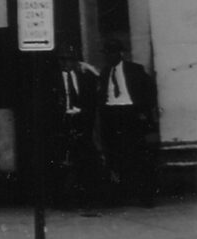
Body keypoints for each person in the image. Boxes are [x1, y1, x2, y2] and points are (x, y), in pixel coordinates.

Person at [98, 40, 158, 206]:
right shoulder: (104, 73)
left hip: (130, 114)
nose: (109, 57)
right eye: (107, 54)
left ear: (120, 54)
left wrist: (143, 111)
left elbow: (150, 90)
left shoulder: (134, 70)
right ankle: (118, 195)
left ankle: (145, 196)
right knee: (115, 157)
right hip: (112, 115)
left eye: (112, 53)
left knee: (138, 156)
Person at [53, 45, 102, 211]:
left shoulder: (84, 77)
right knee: (63, 161)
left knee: (85, 160)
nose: (66, 63)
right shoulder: (53, 79)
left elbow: (94, 96)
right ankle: (64, 198)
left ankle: (87, 197)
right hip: (62, 122)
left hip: (81, 122)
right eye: (63, 60)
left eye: (70, 60)